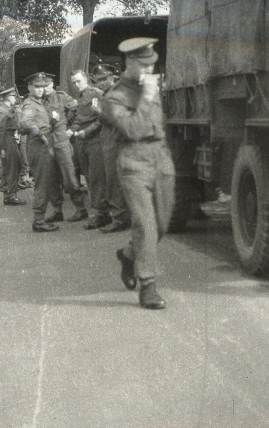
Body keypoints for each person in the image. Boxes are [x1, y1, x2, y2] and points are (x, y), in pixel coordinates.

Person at [104, 37, 175, 309]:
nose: (149, 71)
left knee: (162, 224)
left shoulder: (152, 87)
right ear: (129, 63)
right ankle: (148, 286)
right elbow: (133, 130)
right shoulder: (115, 97)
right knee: (146, 224)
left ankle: (128, 255)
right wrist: (146, 96)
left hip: (160, 158)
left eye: (152, 65)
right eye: (143, 66)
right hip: (134, 162)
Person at [67, 69, 111, 230]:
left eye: (78, 81)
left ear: (86, 79)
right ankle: (99, 211)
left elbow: (101, 119)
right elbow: (79, 118)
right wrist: (72, 130)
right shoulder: (78, 98)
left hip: (95, 141)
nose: (76, 85)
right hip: (82, 142)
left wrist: (86, 132)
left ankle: (101, 214)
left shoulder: (97, 94)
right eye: (74, 82)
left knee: (97, 178)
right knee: (89, 179)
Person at [42, 74, 89, 223]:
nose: (44, 88)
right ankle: (57, 210)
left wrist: (72, 127)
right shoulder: (40, 101)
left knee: (69, 177)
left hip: (62, 140)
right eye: (42, 86)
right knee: (51, 178)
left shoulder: (62, 97)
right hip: (47, 142)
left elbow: (77, 110)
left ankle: (80, 208)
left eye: (47, 85)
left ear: (52, 84)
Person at [90, 64, 131, 233]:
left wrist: (98, 112)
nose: (100, 83)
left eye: (104, 79)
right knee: (112, 180)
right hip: (110, 142)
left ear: (112, 77)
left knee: (114, 181)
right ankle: (120, 216)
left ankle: (120, 218)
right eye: (98, 80)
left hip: (116, 142)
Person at [20, 72, 59, 232]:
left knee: (45, 181)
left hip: (41, 143)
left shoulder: (39, 103)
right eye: (37, 87)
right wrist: (39, 134)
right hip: (39, 145)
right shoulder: (30, 104)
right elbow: (25, 121)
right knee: (42, 183)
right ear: (30, 87)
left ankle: (40, 218)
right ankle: (39, 220)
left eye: (42, 87)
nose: (40, 90)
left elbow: (23, 127)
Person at [0, 88, 26, 206]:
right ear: (9, 97)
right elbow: (0, 130)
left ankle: (7, 195)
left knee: (8, 168)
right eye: (13, 97)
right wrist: (1, 148)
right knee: (12, 167)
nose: (15, 99)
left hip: (8, 139)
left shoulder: (5, 110)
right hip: (7, 140)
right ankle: (11, 195)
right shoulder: (4, 111)